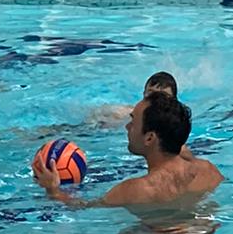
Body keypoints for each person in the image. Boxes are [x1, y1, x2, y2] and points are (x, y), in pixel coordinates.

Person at [33, 92, 222, 225]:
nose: (127, 127)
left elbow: (81, 208)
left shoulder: (134, 191)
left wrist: (53, 190)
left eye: (133, 121)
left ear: (150, 138)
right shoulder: (208, 171)